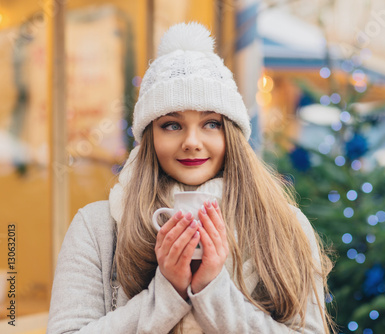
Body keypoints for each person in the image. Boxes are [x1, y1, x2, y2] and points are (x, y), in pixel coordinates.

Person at [47, 22, 335, 334]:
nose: (192, 141)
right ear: (149, 138)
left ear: (232, 134)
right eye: (172, 125)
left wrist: (214, 290)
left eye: (211, 123)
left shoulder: (283, 224)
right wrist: (166, 293)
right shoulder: (98, 227)